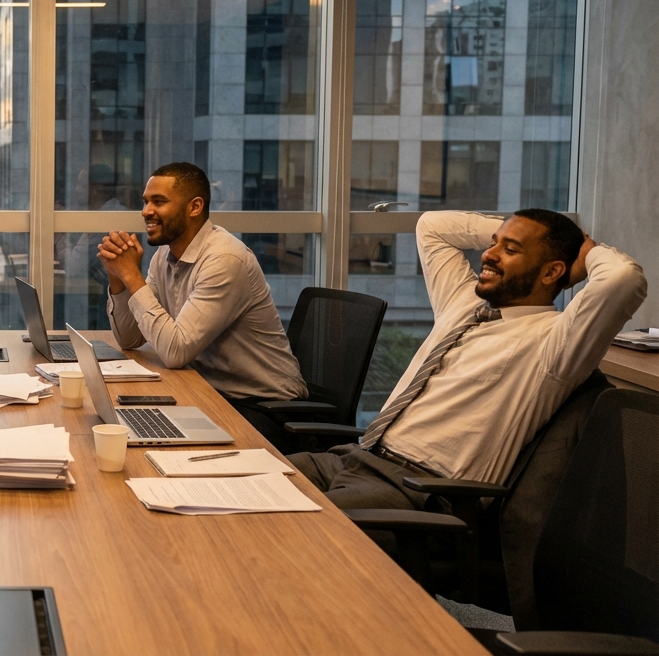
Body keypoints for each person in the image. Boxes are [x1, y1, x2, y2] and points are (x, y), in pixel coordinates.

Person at [288, 209, 646, 510]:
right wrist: (513, 230)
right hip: (357, 458)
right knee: (243, 482)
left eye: (511, 249)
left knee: (280, 529)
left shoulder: (556, 342)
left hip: (420, 490)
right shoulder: (463, 306)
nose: (489, 254)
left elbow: (624, 278)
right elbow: (432, 226)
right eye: (493, 243)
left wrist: (588, 250)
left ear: (551, 272)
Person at [97, 162, 308, 441]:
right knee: (128, 425)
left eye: (158, 202)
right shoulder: (165, 255)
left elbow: (175, 352)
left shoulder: (224, 260)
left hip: (266, 409)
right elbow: (128, 338)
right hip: (207, 391)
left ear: (194, 207)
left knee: (150, 444)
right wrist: (118, 278)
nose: (146, 211)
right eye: (146, 201)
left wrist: (131, 275)